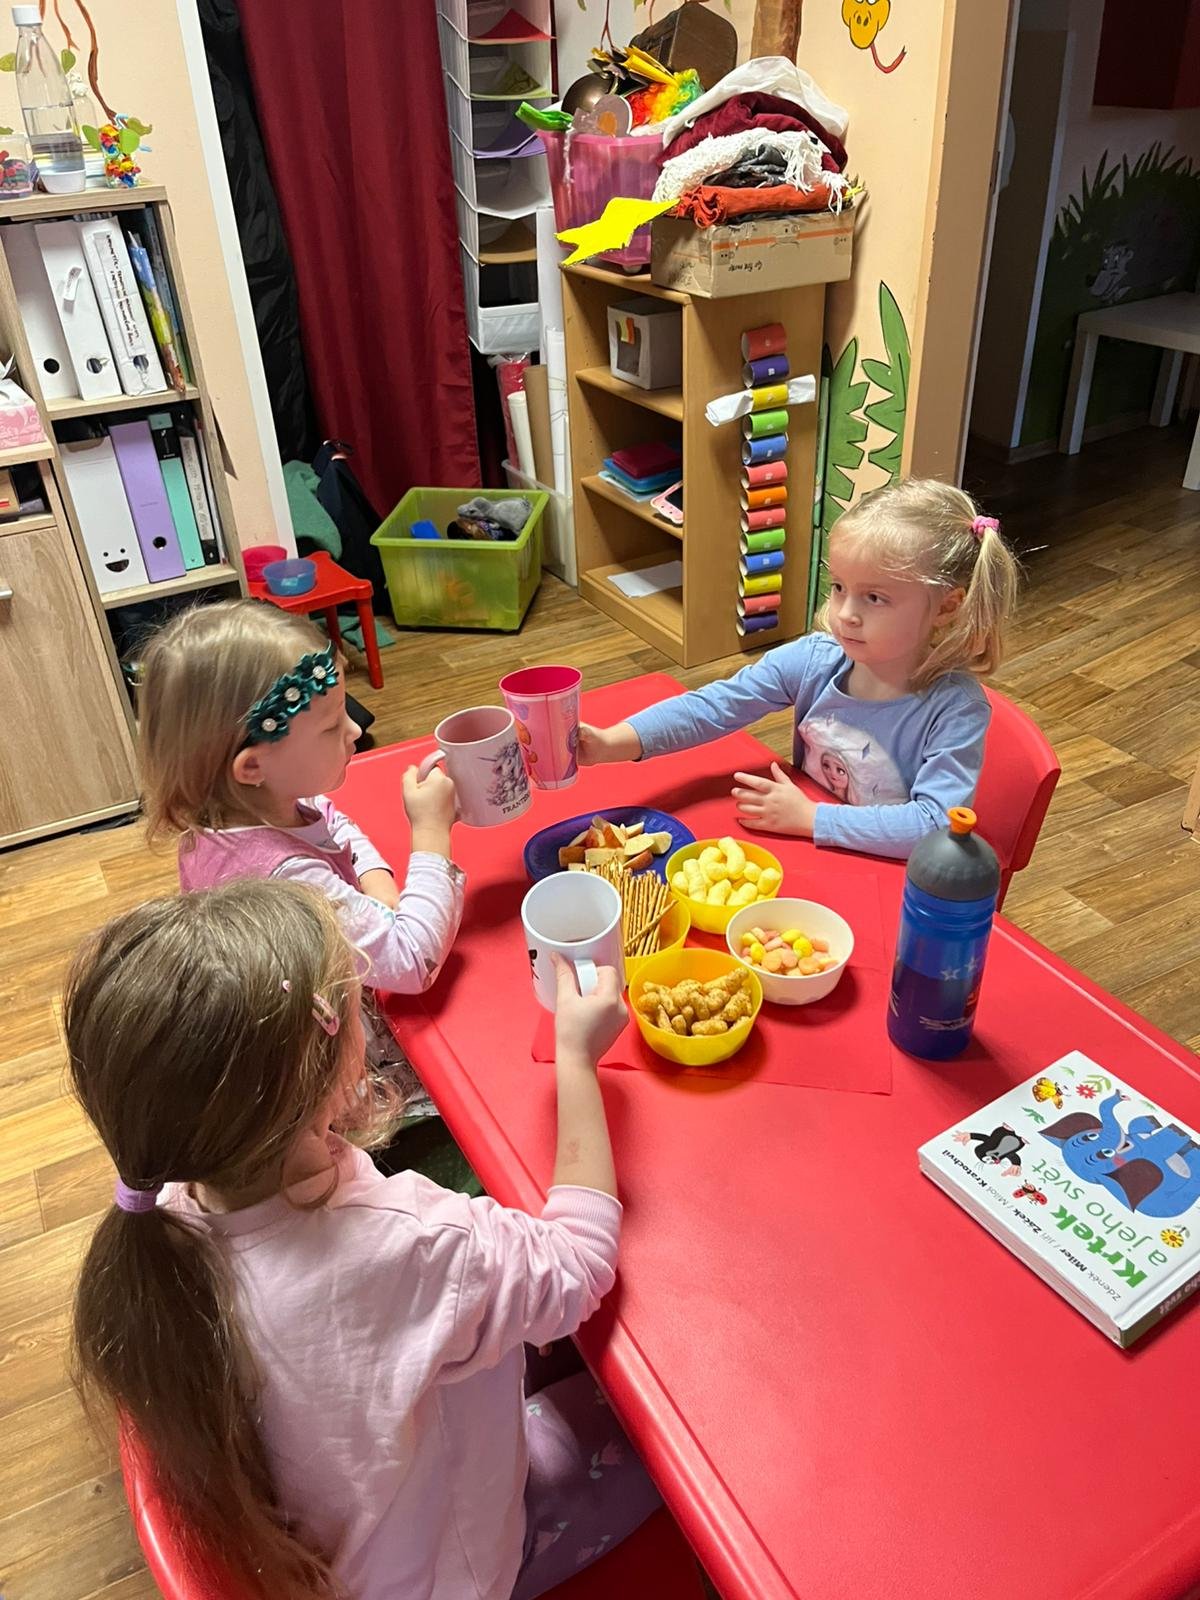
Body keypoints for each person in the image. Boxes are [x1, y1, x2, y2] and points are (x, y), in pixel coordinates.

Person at [69, 879, 660, 1600]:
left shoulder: (164, 1204)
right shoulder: (405, 1247)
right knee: (658, 1440)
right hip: (453, 1575)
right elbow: (579, 1266)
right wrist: (576, 1057)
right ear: (329, 1061)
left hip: (350, 1547)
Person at [580, 477, 1021, 858]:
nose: (845, 613)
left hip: (884, 874)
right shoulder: (814, 659)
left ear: (946, 607)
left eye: (874, 597)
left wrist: (812, 818)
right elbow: (713, 707)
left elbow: (934, 826)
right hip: (812, 849)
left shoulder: (955, 709)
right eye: (839, 587)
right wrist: (611, 743)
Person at [138, 598, 462, 995]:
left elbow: (327, 816)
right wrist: (431, 833)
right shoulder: (286, 882)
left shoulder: (241, 806)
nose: (356, 730)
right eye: (331, 726)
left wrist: (376, 881)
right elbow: (412, 960)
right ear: (252, 766)